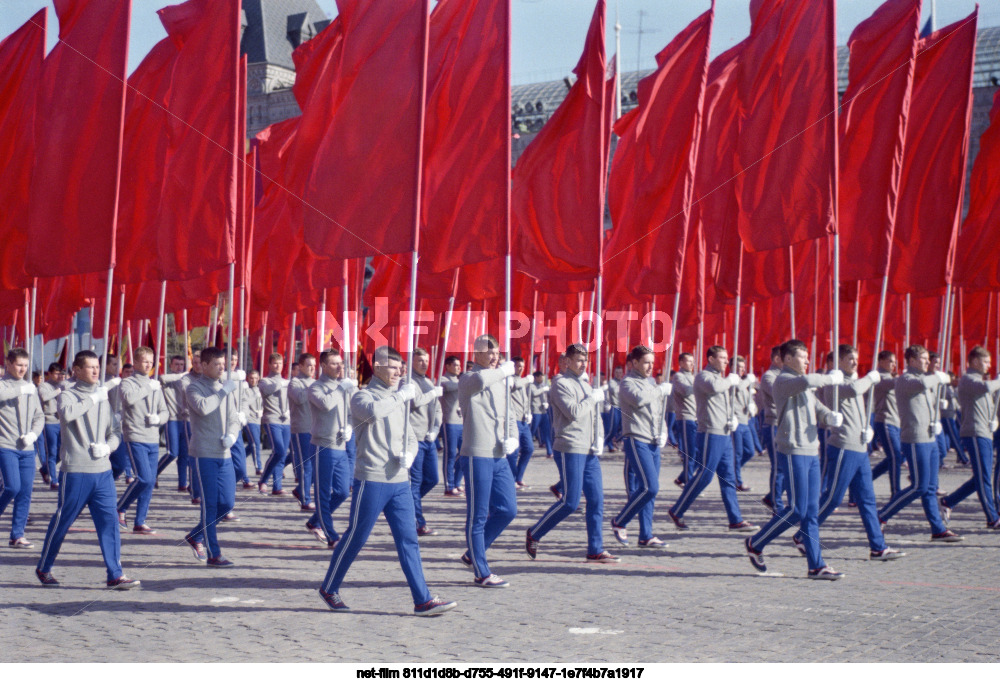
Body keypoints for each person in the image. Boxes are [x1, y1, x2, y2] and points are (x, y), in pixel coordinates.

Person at [317, 345, 456, 616]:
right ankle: (329, 587)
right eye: (393, 367)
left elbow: (411, 436)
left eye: (400, 367)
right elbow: (372, 413)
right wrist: (401, 396)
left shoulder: (399, 399)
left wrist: (411, 454)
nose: (399, 372)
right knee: (356, 537)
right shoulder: (362, 396)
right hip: (372, 478)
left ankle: (422, 599)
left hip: (399, 480)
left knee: (408, 540)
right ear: (378, 367)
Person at [35, 351, 139, 589]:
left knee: (109, 522)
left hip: (102, 471)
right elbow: (68, 414)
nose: (95, 371)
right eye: (90, 367)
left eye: (97, 367)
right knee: (63, 521)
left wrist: (107, 447)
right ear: (77, 370)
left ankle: (115, 573)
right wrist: (93, 399)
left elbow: (115, 431)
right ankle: (44, 566)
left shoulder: (103, 399)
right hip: (76, 471)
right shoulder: (67, 395)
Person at [744, 339, 846, 580]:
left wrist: (829, 416)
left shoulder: (802, 383)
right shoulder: (784, 380)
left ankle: (815, 566)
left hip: (811, 448)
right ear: (788, 359)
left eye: (808, 356)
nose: (807, 361)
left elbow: (815, 404)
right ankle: (756, 542)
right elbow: (808, 381)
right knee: (798, 509)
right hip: (792, 449)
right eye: (802, 356)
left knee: (809, 511)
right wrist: (830, 377)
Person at [793, 345, 905, 561]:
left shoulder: (854, 380)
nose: (855, 362)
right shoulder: (835, 383)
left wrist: (867, 428)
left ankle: (878, 546)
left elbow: (859, 406)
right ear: (839, 362)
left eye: (856, 358)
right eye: (850, 359)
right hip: (843, 446)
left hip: (860, 447)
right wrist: (872, 378)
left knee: (867, 500)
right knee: (833, 498)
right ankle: (802, 534)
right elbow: (854, 390)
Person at [526, 344, 618, 563]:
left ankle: (595, 548)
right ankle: (535, 532)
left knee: (596, 500)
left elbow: (594, 417)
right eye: (578, 359)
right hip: (570, 446)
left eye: (585, 360)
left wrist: (599, 439)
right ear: (566, 361)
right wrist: (592, 398)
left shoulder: (586, 384)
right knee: (570, 502)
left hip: (589, 447)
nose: (583, 363)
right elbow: (574, 412)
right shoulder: (560, 383)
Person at [667, 346, 757, 533]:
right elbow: (716, 388)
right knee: (705, 475)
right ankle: (677, 510)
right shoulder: (703, 377)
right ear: (711, 359)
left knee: (729, 477)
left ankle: (735, 519)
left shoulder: (723, 379)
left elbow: (726, 400)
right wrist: (732, 380)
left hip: (724, 431)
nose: (725, 361)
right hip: (710, 432)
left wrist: (732, 415)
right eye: (722, 358)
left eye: (726, 357)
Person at [877, 345, 962, 542]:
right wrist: (939, 377)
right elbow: (921, 385)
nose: (927, 362)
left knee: (930, 487)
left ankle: (938, 528)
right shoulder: (906, 379)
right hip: (915, 439)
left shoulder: (925, 380)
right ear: (912, 361)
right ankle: (881, 516)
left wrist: (937, 416)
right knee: (919, 486)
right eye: (923, 358)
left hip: (930, 437)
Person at [458, 335, 519, 587]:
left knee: (508, 509)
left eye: (497, 352)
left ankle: (474, 551)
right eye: (488, 352)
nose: (494, 357)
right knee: (478, 515)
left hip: (498, 454)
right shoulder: (468, 378)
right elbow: (482, 380)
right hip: (476, 453)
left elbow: (509, 414)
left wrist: (513, 438)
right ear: (475, 354)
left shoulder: (501, 380)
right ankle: (481, 572)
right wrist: (504, 371)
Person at [183, 347, 242, 566]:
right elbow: (203, 408)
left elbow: (234, 418)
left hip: (224, 453)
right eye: (216, 364)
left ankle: (195, 535)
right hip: (203, 453)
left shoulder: (224, 388)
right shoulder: (194, 388)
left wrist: (233, 435)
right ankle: (213, 553)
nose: (221, 368)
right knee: (209, 504)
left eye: (222, 364)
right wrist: (223, 392)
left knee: (226, 503)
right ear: (204, 365)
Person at [610, 345, 672, 547]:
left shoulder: (651, 383)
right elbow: (639, 400)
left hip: (653, 440)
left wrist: (663, 431)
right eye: (646, 362)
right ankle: (620, 521)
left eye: (652, 363)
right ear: (634, 363)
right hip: (637, 439)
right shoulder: (628, 383)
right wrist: (660, 390)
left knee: (650, 493)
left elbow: (659, 412)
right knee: (649, 487)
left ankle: (646, 534)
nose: (650, 367)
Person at [940, 346, 1000, 528]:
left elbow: (989, 404)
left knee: (980, 479)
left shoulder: (981, 380)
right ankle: (992, 517)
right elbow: (986, 387)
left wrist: (994, 420)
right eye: (986, 361)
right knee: (983, 479)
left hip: (985, 432)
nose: (989, 365)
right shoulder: (968, 379)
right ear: (974, 361)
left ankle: (948, 502)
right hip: (974, 433)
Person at [115, 347, 168, 535]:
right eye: (145, 361)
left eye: (151, 362)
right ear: (136, 363)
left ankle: (140, 520)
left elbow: (165, 411)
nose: (148, 365)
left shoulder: (155, 386)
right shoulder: (127, 382)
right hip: (135, 436)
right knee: (144, 478)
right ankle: (120, 507)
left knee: (150, 481)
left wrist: (159, 419)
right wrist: (147, 388)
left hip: (152, 437)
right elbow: (128, 399)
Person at [306, 349, 357, 546]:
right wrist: (340, 389)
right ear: (324, 366)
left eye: (340, 363)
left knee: (343, 491)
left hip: (341, 446)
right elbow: (326, 405)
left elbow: (353, 411)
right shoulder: (315, 387)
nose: (339, 367)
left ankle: (314, 521)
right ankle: (330, 535)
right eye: (334, 363)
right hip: (323, 445)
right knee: (323, 493)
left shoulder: (343, 387)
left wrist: (350, 426)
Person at [0, 349, 44, 548]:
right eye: (19, 365)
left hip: (26, 448)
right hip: (5, 445)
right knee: (12, 487)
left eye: (25, 365)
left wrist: (33, 434)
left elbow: (39, 416)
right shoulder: (4, 384)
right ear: (8, 363)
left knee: (25, 492)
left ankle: (17, 534)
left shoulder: (30, 389)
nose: (23, 369)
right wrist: (21, 390)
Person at [406, 348, 444, 535]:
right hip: (414, 438)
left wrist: (436, 428)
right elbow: (415, 402)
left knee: (432, 479)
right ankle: (418, 522)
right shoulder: (408, 381)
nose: (424, 363)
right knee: (416, 481)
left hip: (429, 438)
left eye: (426, 360)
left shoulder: (428, 381)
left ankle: (407, 506)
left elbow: (437, 408)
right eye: (420, 360)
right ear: (412, 361)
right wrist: (432, 393)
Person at [758, 346, 788, 514]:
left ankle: (771, 496)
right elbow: (781, 393)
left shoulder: (785, 376)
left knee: (787, 466)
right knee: (778, 466)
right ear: (777, 359)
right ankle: (777, 505)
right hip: (774, 424)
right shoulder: (769, 377)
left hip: (786, 425)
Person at [870, 351, 904, 497]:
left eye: (894, 362)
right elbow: (895, 383)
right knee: (896, 456)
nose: (894, 365)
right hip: (885, 421)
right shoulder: (879, 377)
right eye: (891, 361)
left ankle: (865, 480)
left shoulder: (891, 377)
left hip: (896, 422)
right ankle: (896, 491)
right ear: (881, 361)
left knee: (897, 457)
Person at [257, 353, 291, 495]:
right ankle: (263, 480)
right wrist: (281, 383)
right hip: (272, 419)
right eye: (275, 363)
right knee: (279, 450)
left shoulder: (286, 382)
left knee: (282, 455)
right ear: (270, 365)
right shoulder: (264, 381)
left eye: (280, 363)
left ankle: (277, 486)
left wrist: (289, 411)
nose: (278, 366)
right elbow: (268, 390)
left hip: (286, 420)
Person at [157, 355, 192, 492]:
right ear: (171, 366)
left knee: (185, 454)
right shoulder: (168, 379)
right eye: (176, 364)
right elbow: (161, 379)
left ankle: (182, 483)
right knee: (172, 452)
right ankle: (154, 473)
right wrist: (183, 375)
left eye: (182, 364)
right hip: (171, 419)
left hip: (185, 420)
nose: (179, 367)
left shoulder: (186, 380)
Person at [288, 353, 317, 510]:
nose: (312, 368)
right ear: (300, 367)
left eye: (314, 365)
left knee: (315, 465)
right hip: (301, 428)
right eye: (309, 365)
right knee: (306, 465)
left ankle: (300, 490)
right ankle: (305, 499)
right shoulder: (295, 383)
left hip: (315, 428)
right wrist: (312, 388)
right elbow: (299, 399)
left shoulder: (315, 382)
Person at [438, 355, 465, 496]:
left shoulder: (460, 380)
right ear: (447, 366)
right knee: (450, 454)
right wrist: (464, 382)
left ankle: (457, 481)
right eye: (455, 365)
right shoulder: (443, 380)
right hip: (449, 422)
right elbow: (449, 387)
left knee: (464, 452)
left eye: (460, 365)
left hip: (462, 422)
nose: (459, 368)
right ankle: (449, 485)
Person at [37, 363, 67, 488]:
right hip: (50, 421)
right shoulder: (44, 385)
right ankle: (54, 480)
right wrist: (58, 391)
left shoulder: (64, 385)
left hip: (62, 421)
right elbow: (44, 397)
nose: (59, 376)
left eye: (61, 373)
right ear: (49, 373)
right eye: (56, 373)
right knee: (52, 451)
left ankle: (45, 468)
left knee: (62, 450)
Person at [506, 357, 534, 489]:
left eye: (522, 366)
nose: (521, 368)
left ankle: (518, 477)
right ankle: (511, 478)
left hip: (523, 420)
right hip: (514, 420)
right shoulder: (509, 379)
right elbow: (514, 386)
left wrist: (529, 412)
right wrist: (527, 380)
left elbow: (526, 400)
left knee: (529, 448)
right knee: (514, 451)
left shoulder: (524, 382)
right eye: (518, 366)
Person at [671, 353, 698, 487]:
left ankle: (682, 478)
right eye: (689, 361)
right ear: (681, 363)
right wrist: (700, 383)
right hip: (686, 418)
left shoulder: (693, 377)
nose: (692, 364)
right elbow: (686, 391)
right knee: (690, 453)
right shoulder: (678, 377)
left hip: (697, 418)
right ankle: (688, 482)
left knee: (698, 453)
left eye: (693, 361)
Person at [731, 356, 757, 492]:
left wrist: (753, 406)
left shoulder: (743, 382)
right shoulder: (731, 381)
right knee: (738, 453)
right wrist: (748, 380)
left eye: (742, 368)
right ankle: (737, 481)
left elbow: (748, 399)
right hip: (736, 421)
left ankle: (732, 472)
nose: (740, 370)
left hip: (745, 421)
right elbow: (737, 389)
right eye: (738, 367)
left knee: (750, 451)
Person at [529, 371, 553, 458]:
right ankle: (525, 447)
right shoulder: (532, 385)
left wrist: (547, 402)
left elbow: (548, 395)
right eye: (540, 377)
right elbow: (534, 393)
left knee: (547, 432)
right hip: (535, 410)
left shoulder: (543, 385)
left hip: (544, 411)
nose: (542, 379)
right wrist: (543, 389)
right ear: (536, 377)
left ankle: (549, 451)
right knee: (531, 431)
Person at [244, 370, 264, 475]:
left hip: (258, 419)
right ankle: (258, 466)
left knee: (252, 445)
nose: (254, 380)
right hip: (249, 419)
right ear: (248, 378)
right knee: (255, 443)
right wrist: (255, 396)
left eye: (256, 378)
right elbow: (246, 402)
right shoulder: (245, 390)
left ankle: (238, 458)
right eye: (251, 378)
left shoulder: (259, 389)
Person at [602, 366, 623, 452]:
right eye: (617, 373)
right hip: (615, 408)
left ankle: (615, 442)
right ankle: (603, 444)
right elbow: (615, 391)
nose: (618, 374)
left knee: (623, 429)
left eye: (620, 373)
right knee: (612, 430)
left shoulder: (623, 382)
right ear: (614, 373)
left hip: (623, 408)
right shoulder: (612, 382)